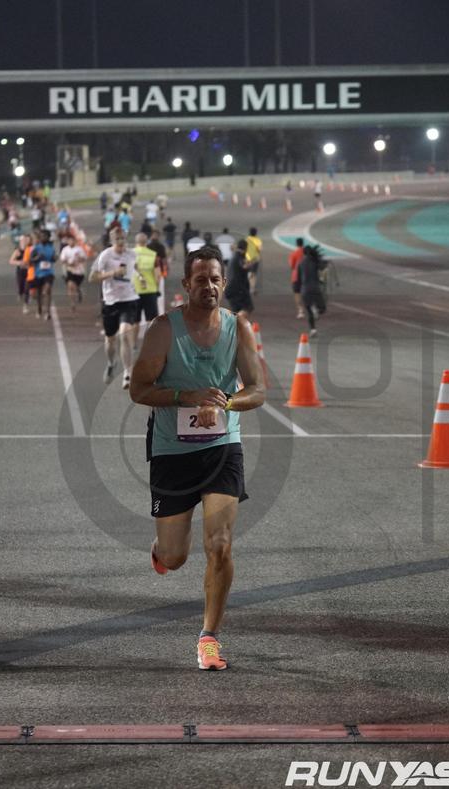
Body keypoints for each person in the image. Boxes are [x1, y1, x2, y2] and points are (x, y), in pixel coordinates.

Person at [129, 244, 265, 670]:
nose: (209, 286)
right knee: (175, 557)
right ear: (186, 284)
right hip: (172, 451)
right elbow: (139, 389)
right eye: (200, 279)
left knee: (219, 544)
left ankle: (209, 637)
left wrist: (225, 404)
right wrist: (186, 397)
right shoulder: (163, 330)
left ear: (224, 283)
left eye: (215, 279)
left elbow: (257, 389)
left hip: (222, 448)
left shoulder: (238, 328)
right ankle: (162, 549)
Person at [89, 229, 139, 388]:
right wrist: (112, 273)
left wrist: (141, 277)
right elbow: (92, 277)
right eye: (117, 239)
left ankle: (127, 374)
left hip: (129, 299)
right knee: (110, 340)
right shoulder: (105, 256)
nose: (121, 242)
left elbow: (136, 269)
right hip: (110, 302)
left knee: (124, 333)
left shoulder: (132, 254)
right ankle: (111, 363)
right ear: (112, 240)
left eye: (123, 238)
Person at [132, 233, 161, 348]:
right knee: (151, 319)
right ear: (146, 242)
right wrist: (156, 287)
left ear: (136, 242)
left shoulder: (129, 255)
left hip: (133, 292)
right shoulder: (153, 255)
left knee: (135, 320)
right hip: (150, 291)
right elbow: (158, 276)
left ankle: (133, 343)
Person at [297, 245, 327, 337]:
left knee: (309, 311)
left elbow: (298, 279)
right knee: (322, 308)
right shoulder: (315, 261)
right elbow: (323, 268)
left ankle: (313, 330)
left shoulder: (300, 263)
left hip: (305, 289)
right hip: (315, 288)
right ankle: (316, 310)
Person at [30, 228, 56, 320]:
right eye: (41, 236)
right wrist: (38, 257)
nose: (43, 238)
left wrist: (54, 258)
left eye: (45, 236)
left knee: (47, 291)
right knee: (39, 293)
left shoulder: (51, 248)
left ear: (48, 237)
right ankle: (39, 309)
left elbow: (53, 259)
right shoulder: (36, 248)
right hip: (38, 273)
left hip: (49, 273)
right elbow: (31, 260)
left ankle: (48, 312)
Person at [224, 239, 254, 320]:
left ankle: (233, 323)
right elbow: (243, 265)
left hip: (231, 289)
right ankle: (231, 323)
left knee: (238, 311)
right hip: (237, 289)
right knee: (248, 308)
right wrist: (250, 264)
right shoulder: (239, 257)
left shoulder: (234, 256)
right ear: (246, 248)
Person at [60, 234, 87, 311]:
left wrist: (78, 260)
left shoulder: (79, 249)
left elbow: (84, 258)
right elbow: (62, 260)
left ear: (75, 241)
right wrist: (69, 264)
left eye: (72, 240)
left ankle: (78, 290)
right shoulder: (65, 249)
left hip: (79, 271)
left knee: (75, 286)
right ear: (68, 241)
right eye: (69, 240)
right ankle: (72, 303)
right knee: (70, 286)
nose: (71, 242)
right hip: (69, 270)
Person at [9, 233, 33, 313]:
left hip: (29, 272)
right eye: (22, 241)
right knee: (20, 288)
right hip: (20, 272)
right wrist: (19, 263)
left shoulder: (31, 249)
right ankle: (20, 293)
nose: (24, 242)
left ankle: (25, 306)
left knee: (27, 288)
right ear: (20, 242)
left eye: (25, 240)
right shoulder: (18, 251)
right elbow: (11, 261)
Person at [288, 236, 305, 319]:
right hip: (306, 275)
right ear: (303, 244)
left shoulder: (293, 254)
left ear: (296, 244)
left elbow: (292, 266)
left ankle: (300, 310)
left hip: (296, 275)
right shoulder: (307, 253)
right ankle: (312, 308)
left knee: (297, 293)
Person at [245, 227, 262, 296]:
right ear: (256, 233)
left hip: (247, 259)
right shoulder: (257, 240)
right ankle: (252, 289)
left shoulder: (246, 239)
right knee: (254, 274)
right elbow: (259, 250)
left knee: (248, 273)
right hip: (255, 259)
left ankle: (247, 287)